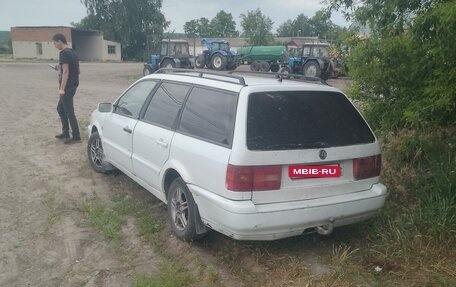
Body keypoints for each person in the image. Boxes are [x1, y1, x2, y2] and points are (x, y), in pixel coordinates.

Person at [52, 33, 81, 144]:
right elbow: (77, 70)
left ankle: (76, 136)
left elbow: (66, 71)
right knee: (60, 108)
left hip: (67, 87)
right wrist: (59, 67)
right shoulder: (73, 52)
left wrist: (62, 88)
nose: (55, 46)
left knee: (69, 111)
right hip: (73, 84)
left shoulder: (63, 53)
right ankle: (65, 132)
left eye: (55, 43)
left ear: (60, 41)